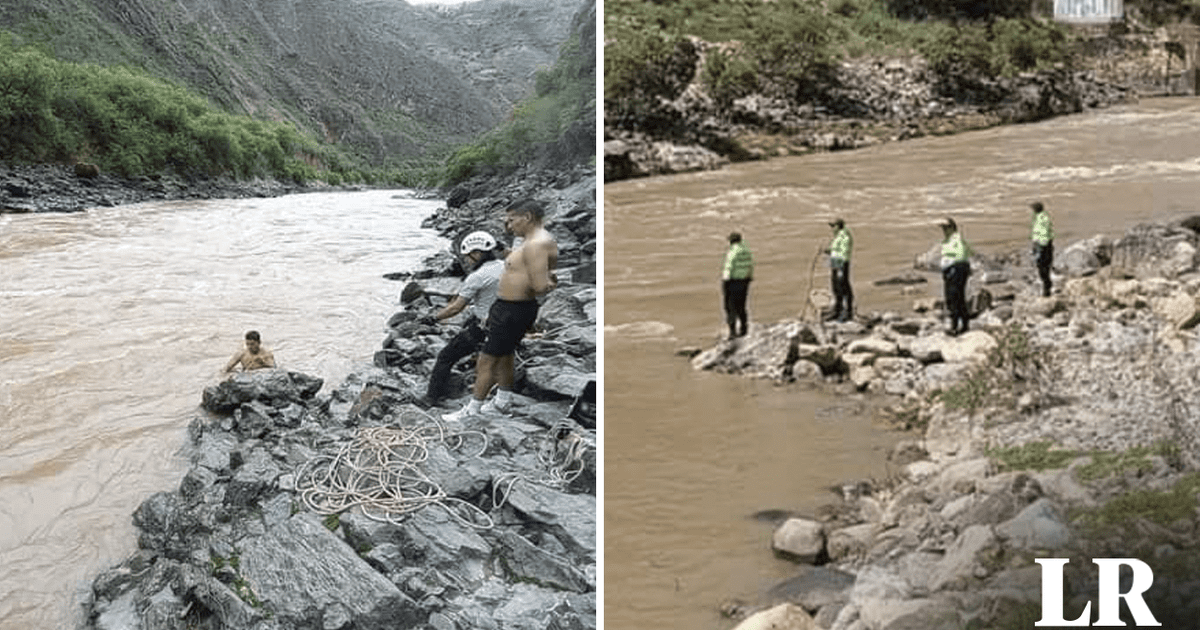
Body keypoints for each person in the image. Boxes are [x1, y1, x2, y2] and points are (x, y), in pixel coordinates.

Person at [444, 198, 558, 421]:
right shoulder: (527, 240)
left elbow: (540, 286)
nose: (509, 225)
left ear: (527, 217)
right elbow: (519, 262)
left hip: (513, 310)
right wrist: (503, 251)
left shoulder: (537, 245)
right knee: (505, 356)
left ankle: (472, 411)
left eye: (512, 219)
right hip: (507, 308)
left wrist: (551, 283)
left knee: (487, 360)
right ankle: (502, 403)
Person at [422, 231, 506, 405]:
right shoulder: (505, 266)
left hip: (485, 329)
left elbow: (456, 308)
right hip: (507, 324)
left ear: (477, 253)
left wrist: (433, 318)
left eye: (468, 256)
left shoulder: (477, 276)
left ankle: (431, 398)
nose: (466, 261)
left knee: (445, 357)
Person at [939, 219, 973, 336]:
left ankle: (956, 326)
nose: (944, 230)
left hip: (956, 269)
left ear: (952, 228)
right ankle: (962, 325)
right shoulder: (949, 240)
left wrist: (951, 266)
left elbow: (961, 255)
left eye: (946, 227)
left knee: (955, 298)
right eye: (943, 228)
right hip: (952, 269)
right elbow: (970, 251)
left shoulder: (956, 239)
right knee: (953, 297)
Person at [722, 232, 754, 338]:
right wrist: (749, 277)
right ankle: (744, 328)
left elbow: (729, 266)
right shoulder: (747, 251)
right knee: (741, 305)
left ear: (731, 241)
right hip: (744, 281)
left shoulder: (732, 251)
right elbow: (750, 266)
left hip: (732, 281)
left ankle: (732, 331)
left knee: (730, 306)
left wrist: (725, 281)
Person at [826, 218, 854, 323]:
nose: (832, 228)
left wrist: (840, 269)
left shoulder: (845, 236)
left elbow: (844, 252)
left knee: (844, 287)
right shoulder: (838, 236)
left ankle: (847, 313)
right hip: (835, 263)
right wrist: (829, 251)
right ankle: (837, 311)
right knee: (836, 288)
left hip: (841, 264)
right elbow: (836, 249)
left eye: (834, 226)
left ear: (839, 226)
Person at [1030, 201, 1055, 297]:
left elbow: (1042, 235)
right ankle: (1047, 287)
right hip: (1046, 245)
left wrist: (1038, 248)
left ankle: (1047, 288)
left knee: (1042, 267)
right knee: (1045, 267)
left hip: (1043, 246)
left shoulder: (1041, 220)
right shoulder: (1043, 217)